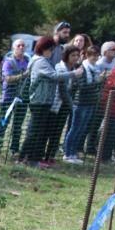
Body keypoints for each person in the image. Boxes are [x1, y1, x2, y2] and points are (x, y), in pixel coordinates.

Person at [19, 36, 81, 168]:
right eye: (51, 49)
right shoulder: (40, 62)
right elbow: (54, 76)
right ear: (45, 48)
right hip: (39, 101)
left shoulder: (43, 61)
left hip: (44, 101)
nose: (52, 52)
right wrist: (74, 74)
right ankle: (26, 159)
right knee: (35, 132)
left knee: (37, 131)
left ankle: (29, 159)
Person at [0, 37, 30, 155]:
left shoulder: (28, 61)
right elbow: (8, 79)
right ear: (13, 48)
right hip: (8, 99)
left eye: (23, 45)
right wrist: (23, 75)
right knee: (3, 123)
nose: (21, 47)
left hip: (22, 99)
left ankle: (14, 149)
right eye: (18, 45)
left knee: (18, 126)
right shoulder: (8, 62)